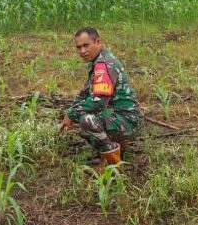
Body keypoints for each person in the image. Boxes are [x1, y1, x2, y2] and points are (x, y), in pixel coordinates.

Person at [60, 27, 141, 169]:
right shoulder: (97, 61)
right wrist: (70, 111)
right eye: (79, 47)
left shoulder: (104, 65)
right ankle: (118, 148)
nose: (82, 51)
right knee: (84, 112)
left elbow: (98, 101)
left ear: (98, 41)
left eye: (86, 45)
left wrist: (72, 114)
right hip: (120, 116)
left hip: (128, 120)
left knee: (87, 120)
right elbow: (85, 93)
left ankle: (113, 164)